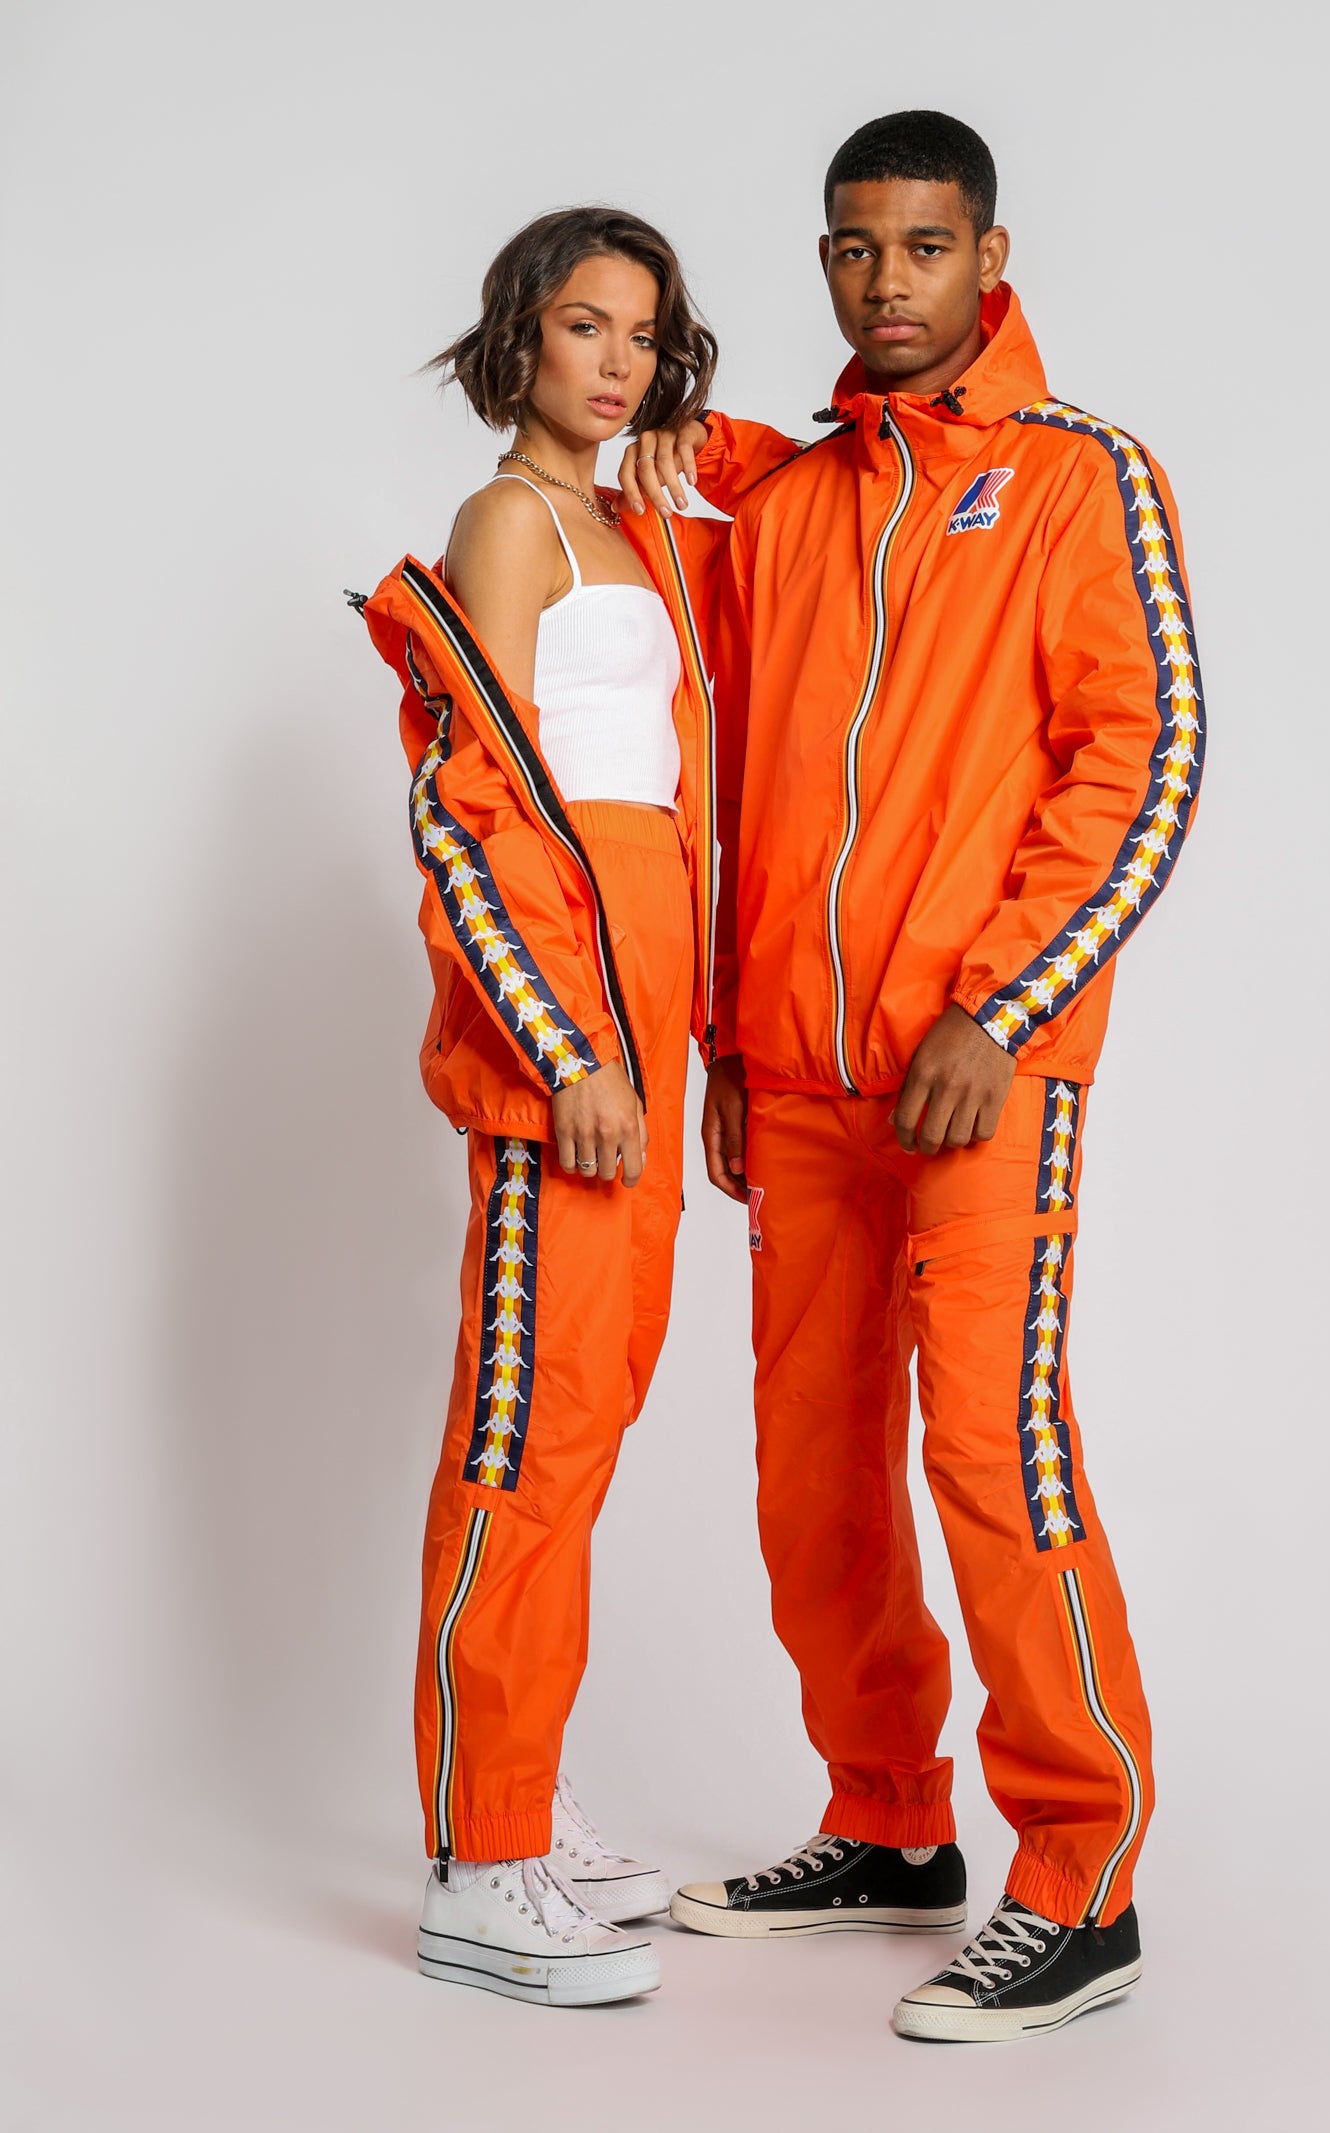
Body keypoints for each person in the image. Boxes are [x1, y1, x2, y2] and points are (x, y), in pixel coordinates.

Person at [623, 110, 1205, 2043]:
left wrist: (1003, 1008)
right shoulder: (789, 506)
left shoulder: (1080, 475)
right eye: (858, 248)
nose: (890, 281)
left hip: (980, 1076)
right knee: (814, 1478)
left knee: (991, 1457)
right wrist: (728, 1037)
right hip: (800, 1077)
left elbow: (1142, 764)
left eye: (926, 247)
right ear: (825, 262)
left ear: (991, 255)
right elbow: (741, 783)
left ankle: (1082, 1877)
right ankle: (885, 1820)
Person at [357, 206, 783, 2009]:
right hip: (573, 1049)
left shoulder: (633, 525)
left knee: (587, 1423)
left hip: (652, 1030)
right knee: (520, 1443)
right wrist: (568, 1053)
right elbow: (475, 813)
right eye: (587, 324)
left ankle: (523, 1803)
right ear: (521, 332)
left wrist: (706, 1051)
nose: (619, 361)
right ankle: (481, 1861)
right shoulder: (509, 522)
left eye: (646, 333)